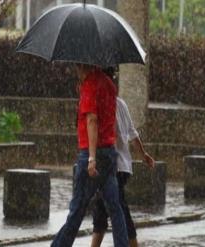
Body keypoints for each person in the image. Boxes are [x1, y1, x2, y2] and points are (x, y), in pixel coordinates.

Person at [51, 64, 128, 247]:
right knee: (115, 208)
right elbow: (107, 117)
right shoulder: (109, 84)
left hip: (92, 153)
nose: (75, 68)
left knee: (77, 208)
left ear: (83, 64)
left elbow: (92, 120)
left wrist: (92, 158)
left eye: (77, 65)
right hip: (109, 152)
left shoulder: (90, 84)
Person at [91, 67, 155, 247]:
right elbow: (133, 134)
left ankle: (132, 244)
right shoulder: (121, 104)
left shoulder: (106, 104)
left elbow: (123, 134)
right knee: (103, 209)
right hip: (122, 166)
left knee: (117, 209)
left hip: (113, 166)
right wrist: (143, 155)